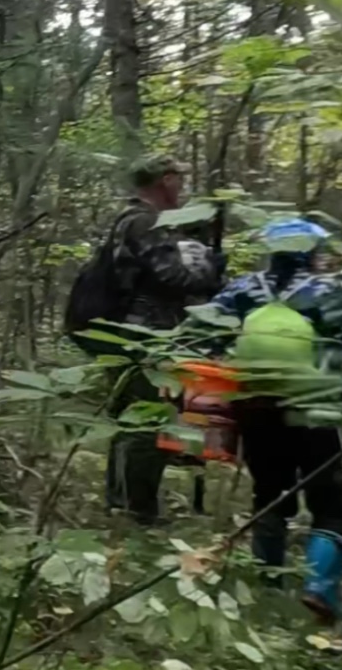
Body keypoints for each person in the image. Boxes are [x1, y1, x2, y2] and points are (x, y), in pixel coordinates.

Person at [205, 217, 342, 619]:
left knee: (269, 493)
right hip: (316, 406)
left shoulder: (244, 288)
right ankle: (319, 588)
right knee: (331, 502)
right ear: (313, 252)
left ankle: (268, 587)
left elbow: (205, 331)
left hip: (256, 406)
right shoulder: (329, 290)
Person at [99, 154, 225, 525]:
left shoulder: (131, 217)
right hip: (149, 332)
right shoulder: (146, 221)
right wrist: (210, 270)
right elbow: (170, 277)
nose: (181, 186)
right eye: (177, 179)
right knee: (147, 421)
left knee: (131, 420)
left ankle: (121, 502)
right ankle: (137, 511)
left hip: (134, 329)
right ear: (165, 180)